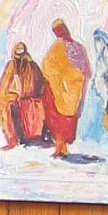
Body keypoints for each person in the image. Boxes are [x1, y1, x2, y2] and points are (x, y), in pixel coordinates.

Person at [41, 19, 91, 158]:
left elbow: (46, 68)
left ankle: (61, 147)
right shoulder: (71, 47)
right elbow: (47, 67)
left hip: (66, 90)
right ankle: (61, 147)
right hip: (65, 90)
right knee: (62, 119)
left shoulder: (65, 47)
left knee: (63, 119)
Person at [0, 41, 47, 149]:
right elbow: (4, 85)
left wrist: (32, 93)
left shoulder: (31, 65)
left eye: (21, 49)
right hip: (14, 97)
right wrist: (11, 96)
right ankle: (12, 139)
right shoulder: (11, 65)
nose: (19, 51)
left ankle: (27, 137)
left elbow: (40, 81)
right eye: (18, 49)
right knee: (4, 108)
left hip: (30, 97)